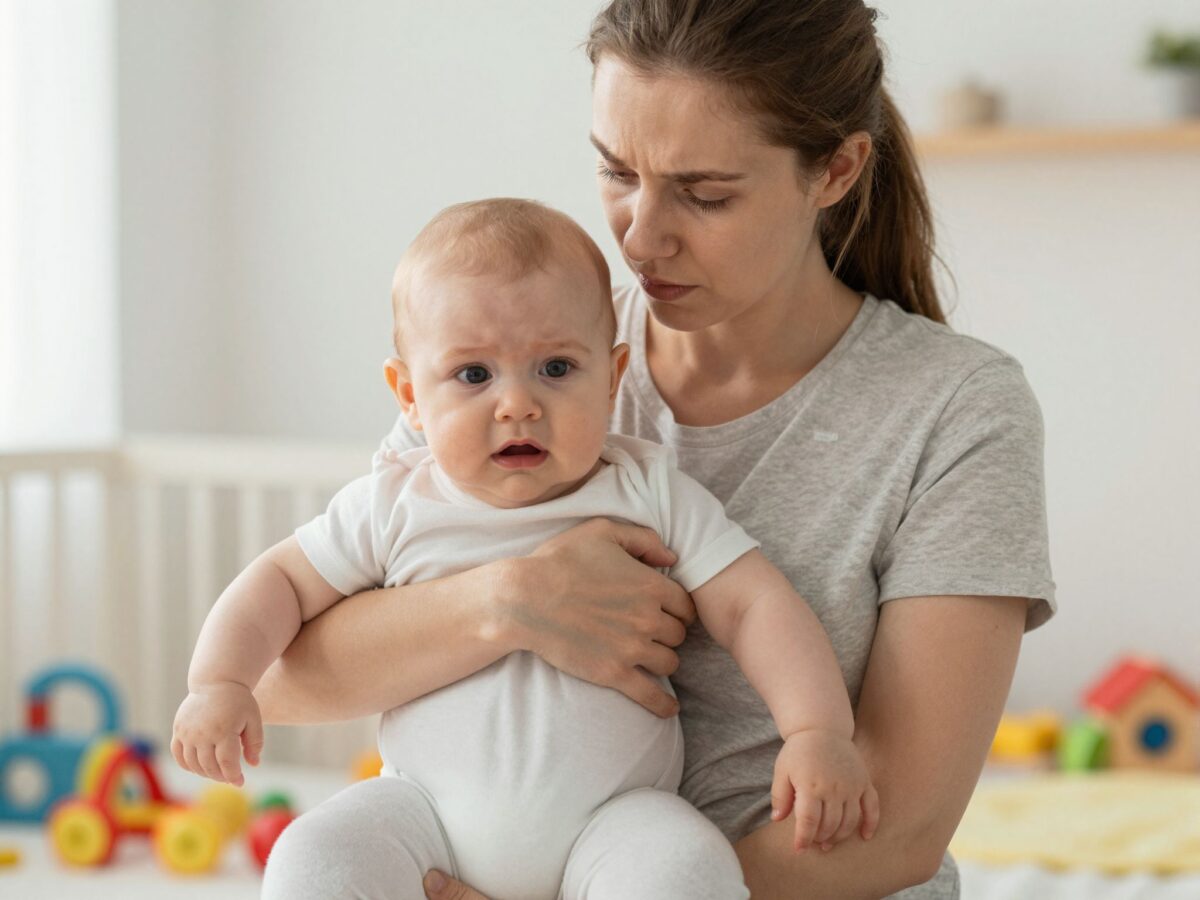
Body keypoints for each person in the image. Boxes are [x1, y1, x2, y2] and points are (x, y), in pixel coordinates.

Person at [253, 1, 1056, 898]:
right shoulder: (513, 358)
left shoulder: (956, 408)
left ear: (835, 170)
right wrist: (511, 600)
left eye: (705, 193)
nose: (639, 235)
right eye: (616, 171)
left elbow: (899, 830)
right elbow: (281, 681)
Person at [173, 198, 882, 899]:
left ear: (613, 376)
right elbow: (280, 583)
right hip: (422, 816)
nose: (518, 404)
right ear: (409, 396)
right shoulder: (393, 501)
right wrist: (219, 682)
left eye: (556, 369)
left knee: (689, 870)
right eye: (474, 375)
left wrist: (816, 729)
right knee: (315, 856)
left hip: (612, 822)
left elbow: (755, 604)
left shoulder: (646, 490)